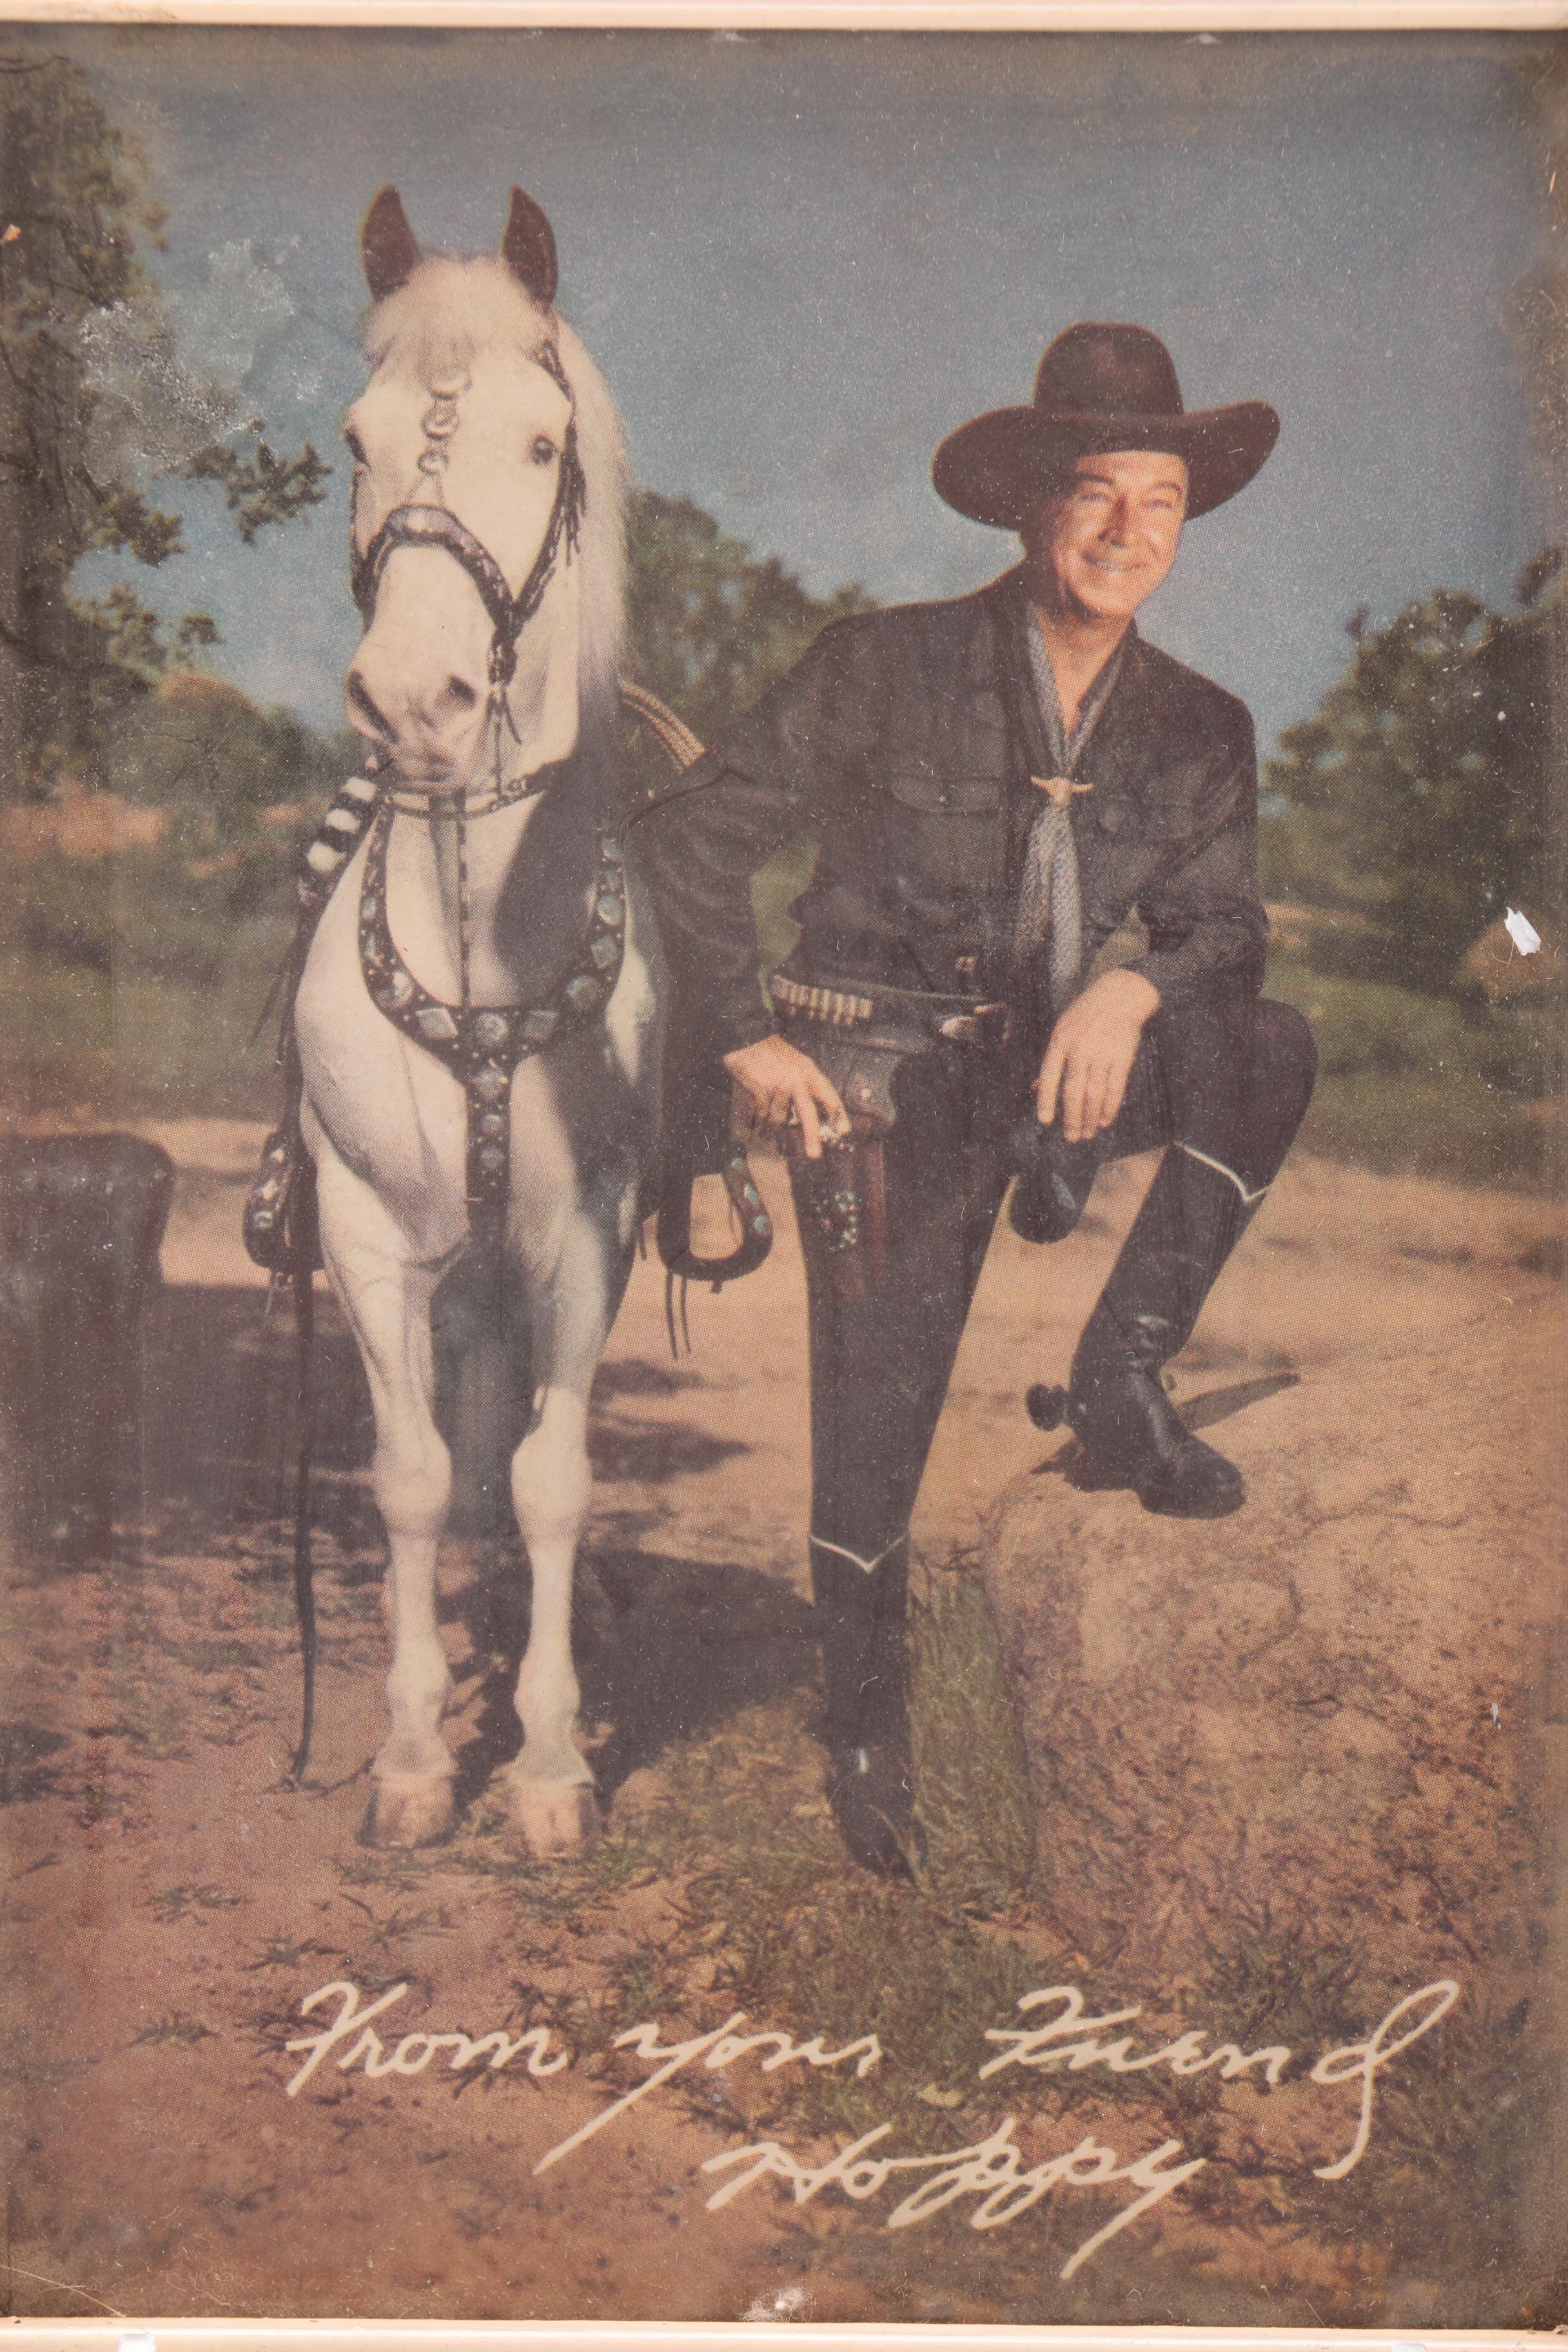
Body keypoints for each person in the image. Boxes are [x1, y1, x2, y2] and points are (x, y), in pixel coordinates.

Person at [639, 323, 1317, 1875]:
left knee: (1268, 1046)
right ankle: (866, 1728)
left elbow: (1223, 933)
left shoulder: (1201, 724)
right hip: (880, 1078)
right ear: (1029, 506)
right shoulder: (878, 666)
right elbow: (685, 840)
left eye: (1160, 501)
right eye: (1093, 492)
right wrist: (742, 1038)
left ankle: (1119, 1382)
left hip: (1054, 1069)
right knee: (877, 1414)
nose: (1127, 531)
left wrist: (1128, 993)